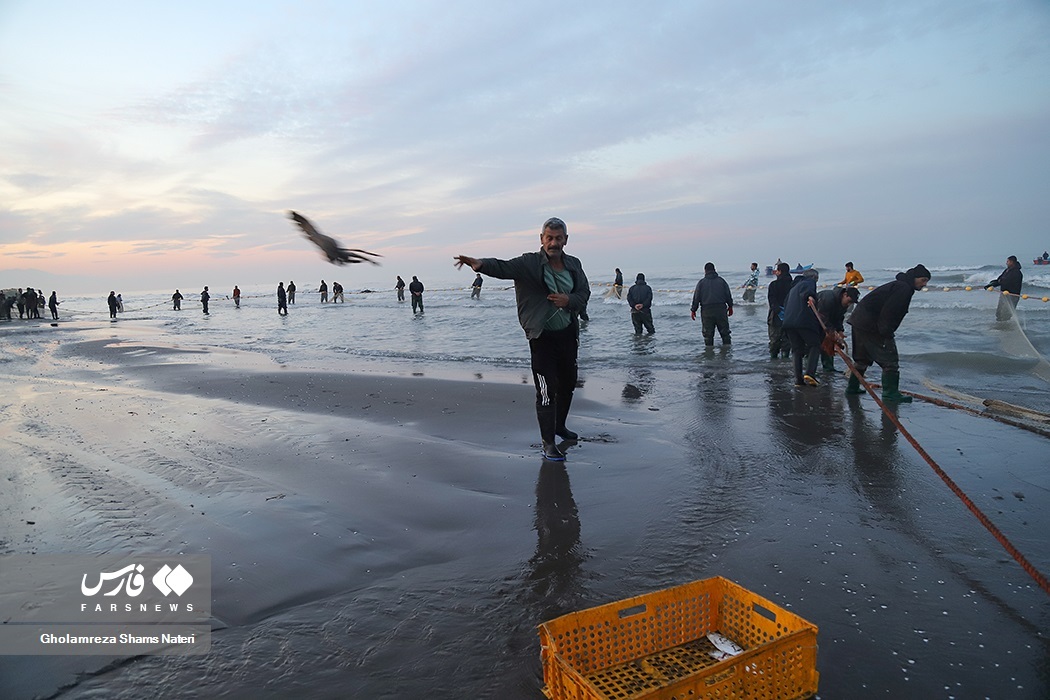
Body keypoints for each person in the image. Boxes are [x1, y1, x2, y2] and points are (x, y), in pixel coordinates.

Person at [453, 216, 590, 461]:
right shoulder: (529, 263)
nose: (554, 243)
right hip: (541, 338)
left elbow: (584, 292)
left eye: (559, 238)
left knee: (568, 384)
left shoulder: (574, 264)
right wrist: (479, 264)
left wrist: (569, 301)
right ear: (541, 239)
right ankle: (548, 443)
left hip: (568, 335)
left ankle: (560, 426)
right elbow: (504, 267)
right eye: (549, 238)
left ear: (566, 240)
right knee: (547, 391)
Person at [845, 265, 931, 402]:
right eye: (923, 280)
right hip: (869, 324)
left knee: (862, 359)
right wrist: (886, 333)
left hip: (858, 320)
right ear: (914, 278)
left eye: (927, 281)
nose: (924, 284)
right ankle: (890, 394)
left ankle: (852, 388)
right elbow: (889, 312)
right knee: (890, 362)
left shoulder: (899, 285)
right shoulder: (904, 289)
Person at [782, 269, 822, 386]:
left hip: (788, 322)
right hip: (802, 321)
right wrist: (811, 297)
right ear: (814, 278)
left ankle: (798, 380)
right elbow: (807, 292)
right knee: (815, 344)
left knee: (796, 350)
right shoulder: (809, 282)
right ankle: (810, 373)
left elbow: (785, 303)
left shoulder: (793, 288)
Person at [815, 285, 860, 371]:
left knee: (829, 343)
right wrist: (832, 331)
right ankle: (809, 369)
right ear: (845, 295)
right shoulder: (828, 298)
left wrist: (840, 330)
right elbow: (822, 317)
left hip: (826, 322)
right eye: (849, 301)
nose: (849, 304)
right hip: (813, 320)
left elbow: (839, 318)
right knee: (814, 345)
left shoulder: (843, 305)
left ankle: (828, 368)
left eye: (852, 303)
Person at [690, 262, 733, 346]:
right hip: (721, 310)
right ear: (714, 270)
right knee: (725, 334)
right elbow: (728, 294)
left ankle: (709, 356)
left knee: (708, 336)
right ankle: (727, 355)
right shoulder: (721, 281)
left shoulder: (701, 283)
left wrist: (693, 310)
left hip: (707, 311)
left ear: (705, 271)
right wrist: (730, 306)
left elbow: (696, 297)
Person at [767, 262, 792, 359]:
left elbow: (771, 300)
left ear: (780, 271)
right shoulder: (793, 284)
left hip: (775, 316)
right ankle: (785, 362)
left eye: (777, 270)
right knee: (787, 340)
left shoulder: (774, 284)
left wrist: (777, 310)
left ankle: (774, 362)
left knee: (774, 340)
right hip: (790, 316)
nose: (776, 272)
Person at [987, 255, 1023, 321]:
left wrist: (999, 282)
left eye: (1008, 261)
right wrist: (992, 284)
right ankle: (1000, 327)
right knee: (999, 313)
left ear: (1012, 262)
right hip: (1004, 295)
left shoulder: (1017, 272)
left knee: (1006, 314)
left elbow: (1006, 281)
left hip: (1012, 296)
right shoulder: (1007, 270)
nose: (1006, 263)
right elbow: (1000, 279)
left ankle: (1005, 328)